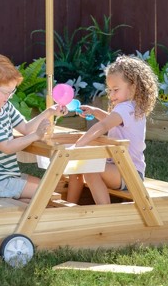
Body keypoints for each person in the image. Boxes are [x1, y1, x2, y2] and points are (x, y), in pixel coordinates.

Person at [0, 54, 66, 201]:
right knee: (45, 192)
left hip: (5, 177)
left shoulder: (4, 106)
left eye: (12, 92)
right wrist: (36, 136)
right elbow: (7, 147)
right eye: (7, 92)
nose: (9, 96)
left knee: (46, 187)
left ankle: (21, 206)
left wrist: (49, 112)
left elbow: (26, 128)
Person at [67, 55, 158, 205]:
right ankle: (71, 206)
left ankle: (103, 211)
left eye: (116, 90)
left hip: (129, 174)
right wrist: (95, 111)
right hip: (120, 169)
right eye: (109, 90)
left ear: (133, 87)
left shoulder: (126, 108)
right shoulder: (130, 107)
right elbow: (113, 121)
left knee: (89, 169)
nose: (111, 95)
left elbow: (104, 125)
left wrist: (78, 145)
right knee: (81, 166)